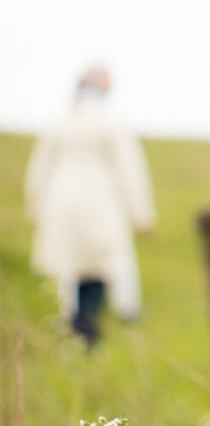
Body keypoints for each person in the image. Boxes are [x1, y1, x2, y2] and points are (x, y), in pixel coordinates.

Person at [24, 67, 155, 347]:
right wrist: (141, 214)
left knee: (70, 265)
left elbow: (39, 168)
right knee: (100, 265)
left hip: (60, 200)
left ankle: (74, 328)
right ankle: (90, 330)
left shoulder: (59, 121)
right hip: (102, 201)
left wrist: (36, 206)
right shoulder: (111, 122)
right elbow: (130, 170)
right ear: (102, 87)